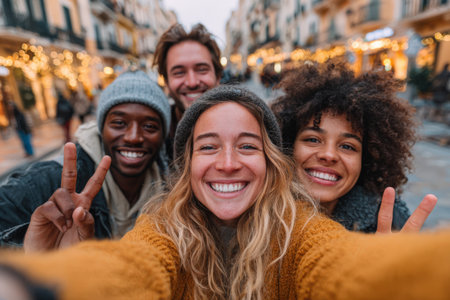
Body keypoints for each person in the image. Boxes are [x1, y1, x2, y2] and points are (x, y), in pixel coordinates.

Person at [2, 86, 450, 300]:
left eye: (248, 146)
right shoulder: (162, 226)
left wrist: (392, 271)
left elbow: (334, 259)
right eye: (208, 146)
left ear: (272, 164)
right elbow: (133, 266)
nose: (229, 163)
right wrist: (43, 279)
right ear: (187, 166)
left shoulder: (299, 227)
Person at [0, 70, 170, 248]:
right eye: (119, 123)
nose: (133, 137)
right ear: (101, 129)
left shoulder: (172, 189)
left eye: (150, 126)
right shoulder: (50, 181)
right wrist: (35, 257)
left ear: (163, 135)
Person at [271, 60, 436, 233]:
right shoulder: (251, 217)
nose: (329, 155)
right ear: (287, 145)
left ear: (365, 161)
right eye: (313, 139)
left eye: (348, 146)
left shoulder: (391, 227)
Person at [153, 23, 222, 160]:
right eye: (179, 72)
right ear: (166, 81)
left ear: (218, 76)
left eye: (202, 69)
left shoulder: (245, 125)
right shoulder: (154, 135)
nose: (192, 82)